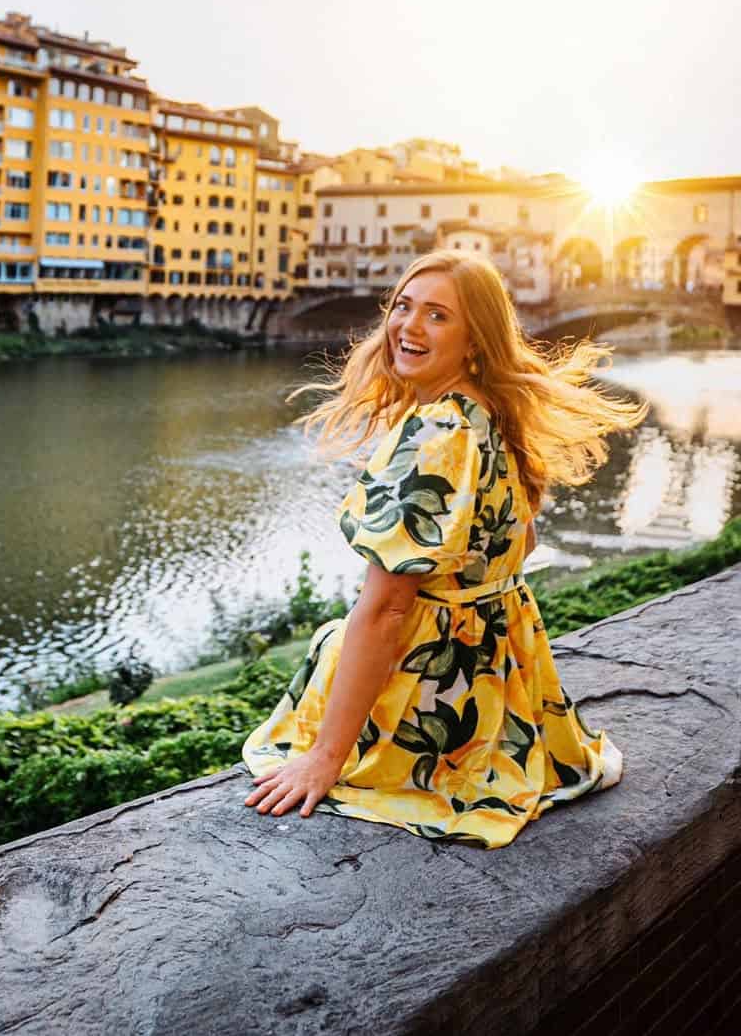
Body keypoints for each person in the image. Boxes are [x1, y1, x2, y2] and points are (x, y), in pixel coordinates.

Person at [242, 249, 647, 847]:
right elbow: (520, 544)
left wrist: (326, 758)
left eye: (437, 316)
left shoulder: (433, 435)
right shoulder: (495, 417)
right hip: (503, 688)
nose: (408, 326)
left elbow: (387, 610)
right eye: (403, 307)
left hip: (437, 697)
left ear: (475, 341)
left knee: (340, 636)